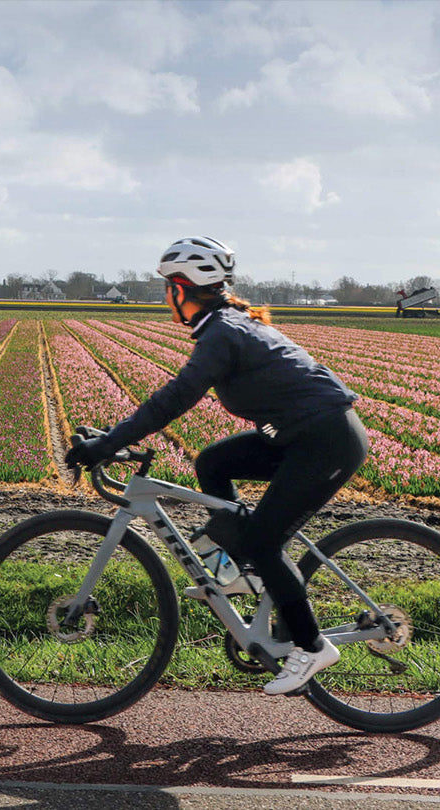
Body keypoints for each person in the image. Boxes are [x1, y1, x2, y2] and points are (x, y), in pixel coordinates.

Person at [65, 236, 369, 696]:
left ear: (183, 288)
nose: (164, 296)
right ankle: (238, 571)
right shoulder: (224, 325)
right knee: (214, 463)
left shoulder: (224, 333)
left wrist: (111, 440)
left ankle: (312, 645)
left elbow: (177, 397)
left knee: (265, 541)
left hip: (326, 442)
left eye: (167, 287)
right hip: (297, 435)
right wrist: (113, 437)